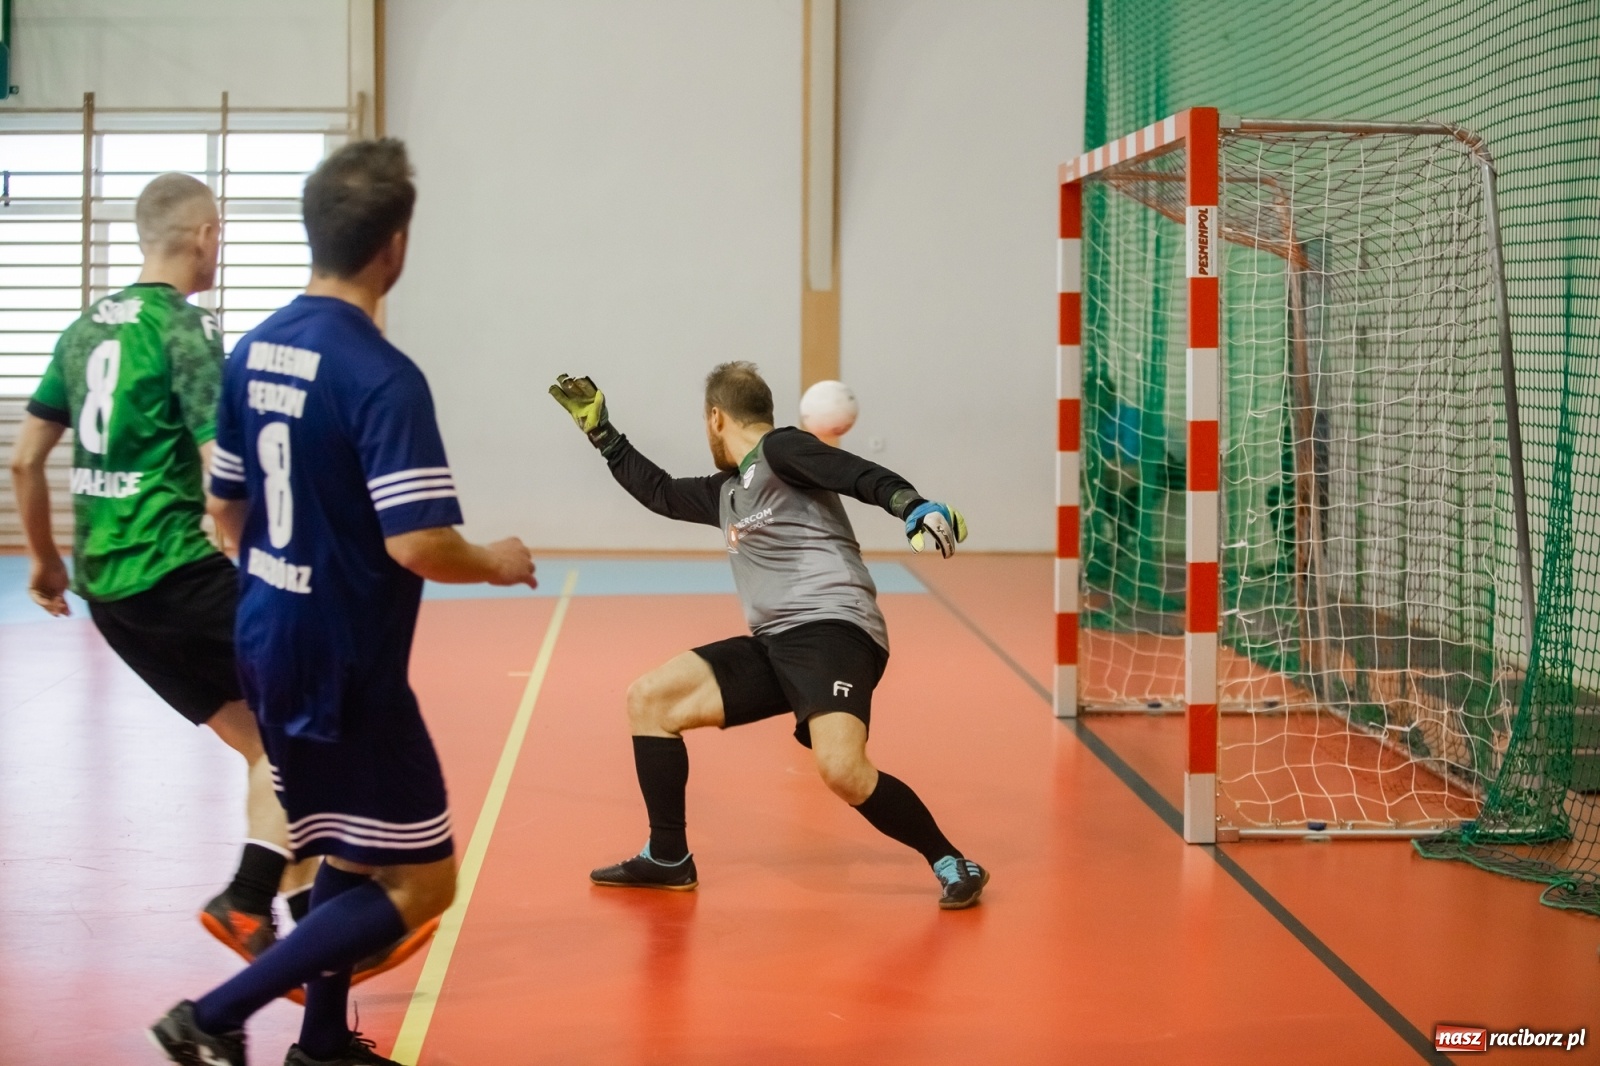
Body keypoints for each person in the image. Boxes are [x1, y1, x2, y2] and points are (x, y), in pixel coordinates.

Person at [150, 140, 536, 1066]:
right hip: (344, 664)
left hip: (265, 636)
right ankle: (210, 1016)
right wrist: (498, 559)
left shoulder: (255, 347)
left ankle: (321, 1044)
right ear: (395, 247)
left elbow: (223, 511)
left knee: (346, 850)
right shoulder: (382, 377)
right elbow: (418, 542)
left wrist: (287, 578)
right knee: (425, 882)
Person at [7, 172, 317, 962]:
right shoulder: (185, 330)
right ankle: (254, 899)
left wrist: (46, 565)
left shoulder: (82, 331)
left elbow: (24, 461)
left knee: (268, 750)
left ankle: (306, 941)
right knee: (316, 709)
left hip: (109, 594)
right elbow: (223, 477)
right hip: (175, 573)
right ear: (207, 236)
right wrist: (260, 559)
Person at [549, 363, 990, 909]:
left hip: (834, 628)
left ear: (715, 417)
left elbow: (855, 472)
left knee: (843, 770)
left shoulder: (781, 452)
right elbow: (659, 493)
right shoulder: (729, 491)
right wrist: (604, 437)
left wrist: (910, 504)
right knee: (651, 699)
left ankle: (951, 859)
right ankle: (667, 857)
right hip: (775, 643)